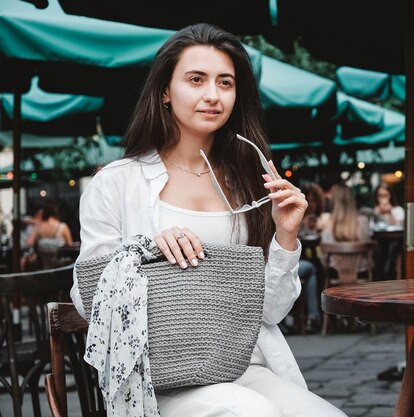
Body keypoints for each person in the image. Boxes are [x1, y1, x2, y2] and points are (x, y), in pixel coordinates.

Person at [71, 23, 346, 417]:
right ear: (165, 91)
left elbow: (269, 312)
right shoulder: (116, 183)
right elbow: (86, 301)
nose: (212, 95)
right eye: (196, 80)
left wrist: (285, 236)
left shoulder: (250, 183)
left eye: (226, 83)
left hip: (245, 364)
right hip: (158, 376)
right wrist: (145, 250)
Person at [321, 183, 372, 274]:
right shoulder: (363, 221)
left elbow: (324, 252)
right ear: (352, 200)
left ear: (334, 201)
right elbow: (368, 243)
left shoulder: (327, 223)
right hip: (362, 271)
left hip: (335, 272)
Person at [25, 204, 73, 269]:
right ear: (55, 213)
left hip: (42, 266)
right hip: (60, 267)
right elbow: (70, 244)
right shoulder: (62, 227)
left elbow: (29, 243)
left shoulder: (38, 227)